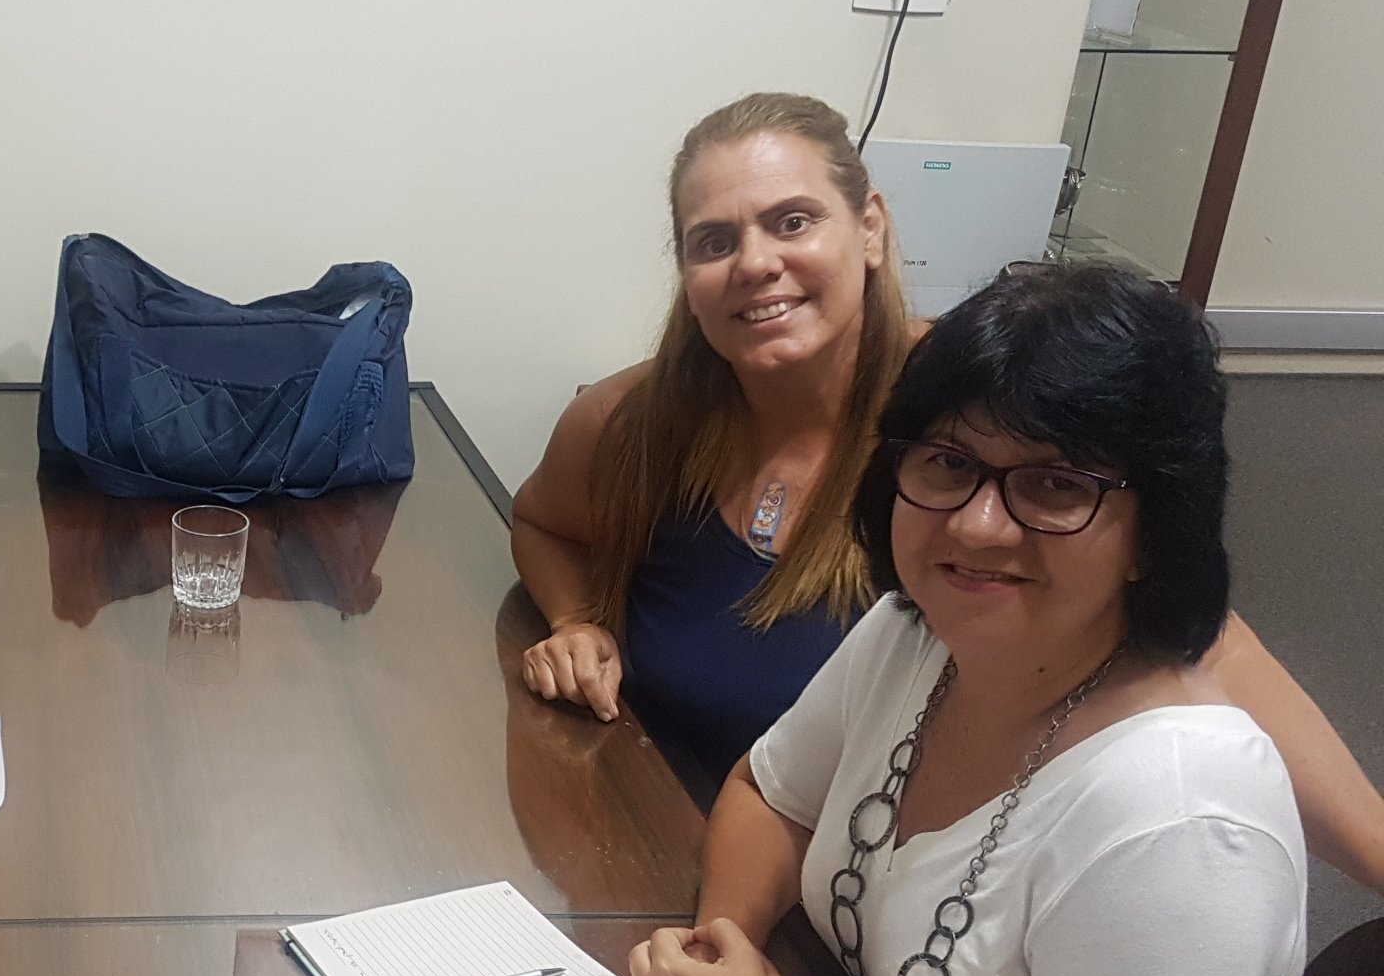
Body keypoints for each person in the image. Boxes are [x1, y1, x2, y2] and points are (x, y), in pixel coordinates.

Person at [628, 263, 1313, 976]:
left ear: (1153, 530)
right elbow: (772, 794)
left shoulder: (1179, 810)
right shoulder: (916, 635)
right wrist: (729, 947)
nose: (979, 525)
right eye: (948, 463)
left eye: (1056, 485)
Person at [510, 90, 1384, 891]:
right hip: (669, 845)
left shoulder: (974, 419)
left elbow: (1197, 641)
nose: (755, 263)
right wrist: (579, 619)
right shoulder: (628, 422)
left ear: (870, 227)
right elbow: (545, 524)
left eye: (792, 221)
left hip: (891, 906)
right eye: (715, 241)